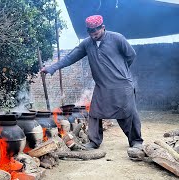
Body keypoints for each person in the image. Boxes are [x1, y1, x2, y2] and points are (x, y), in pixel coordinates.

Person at [41, 15, 144, 157]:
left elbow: (131, 55)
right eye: (91, 33)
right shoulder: (87, 44)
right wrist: (52, 68)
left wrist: (122, 71)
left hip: (122, 84)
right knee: (95, 113)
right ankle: (94, 142)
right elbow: (70, 57)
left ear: (103, 28)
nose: (94, 36)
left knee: (128, 113)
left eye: (96, 33)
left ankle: (136, 141)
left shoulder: (117, 38)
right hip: (102, 86)